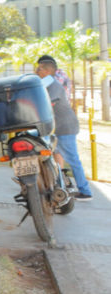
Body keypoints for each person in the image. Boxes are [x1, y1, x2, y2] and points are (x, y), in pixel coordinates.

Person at [36, 56, 92, 201]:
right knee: (53, 158)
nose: (37, 71)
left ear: (47, 71)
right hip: (57, 128)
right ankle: (58, 186)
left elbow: (46, 104)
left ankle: (85, 192)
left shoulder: (54, 86)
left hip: (65, 127)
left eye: (39, 68)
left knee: (73, 159)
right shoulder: (46, 85)